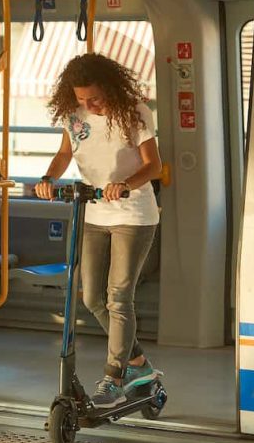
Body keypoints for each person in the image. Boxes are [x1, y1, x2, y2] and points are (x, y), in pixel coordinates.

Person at [35, 53, 162, 408]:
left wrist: (124, 183)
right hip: (94, 213)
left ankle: (114, 378)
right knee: (91, 298)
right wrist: (48, 179)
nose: (88, 105)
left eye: (94, 98)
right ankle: (138, 363)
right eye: (80, 99)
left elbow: (154, 165)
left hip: (133, 214)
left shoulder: (135, 113)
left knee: (118, 297)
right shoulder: (75, 116)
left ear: (109, 87)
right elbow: (64, 154)